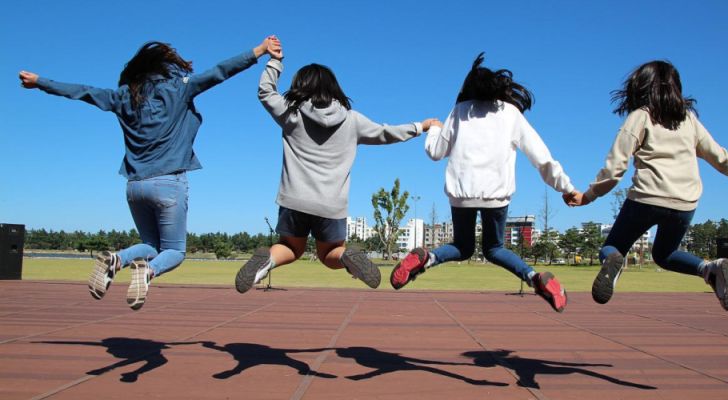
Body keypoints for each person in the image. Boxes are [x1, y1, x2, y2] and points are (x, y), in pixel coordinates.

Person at [19, 38, 274, 310]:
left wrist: (40, 82)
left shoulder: (124, 96)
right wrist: (258, 51)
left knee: (151, 245)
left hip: (134, 186)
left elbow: (84, 92)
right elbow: (220, 71)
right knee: (175, 251)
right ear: (166, 68)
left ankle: (117, 259)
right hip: (168, 183)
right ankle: (147, 273)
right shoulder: (178, 89)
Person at [564, 60, 728, 311]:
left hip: (646, 198)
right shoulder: (688, 121)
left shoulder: (640, 117)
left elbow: (615, 169)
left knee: (613, 247)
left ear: (641, 87)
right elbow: (720, 157)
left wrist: (588, 196)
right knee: (664, 255)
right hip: (684, 204)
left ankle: (613, 261)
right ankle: (711, 268)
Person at [234, 36, 438, 293]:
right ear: (333, 88)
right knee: (330, 253)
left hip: (294, 200)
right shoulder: (352, 120)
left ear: (301, 86)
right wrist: (421, 126)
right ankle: (346, 258)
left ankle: (267, 261)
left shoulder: (292, 113)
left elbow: (265, 92)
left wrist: (274, 62)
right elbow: (387, 133)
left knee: (290, 248)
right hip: (331, 205)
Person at [390, 53, 575, 313]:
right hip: (496, 196)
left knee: (462, 246)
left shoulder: (459, 112)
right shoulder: (510, 114)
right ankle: (535, 278)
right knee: (494, 248)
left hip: (461, 194)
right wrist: (566, 188)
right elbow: (540, 156)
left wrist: (433, 127)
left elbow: (435, 152)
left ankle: (426, 258)